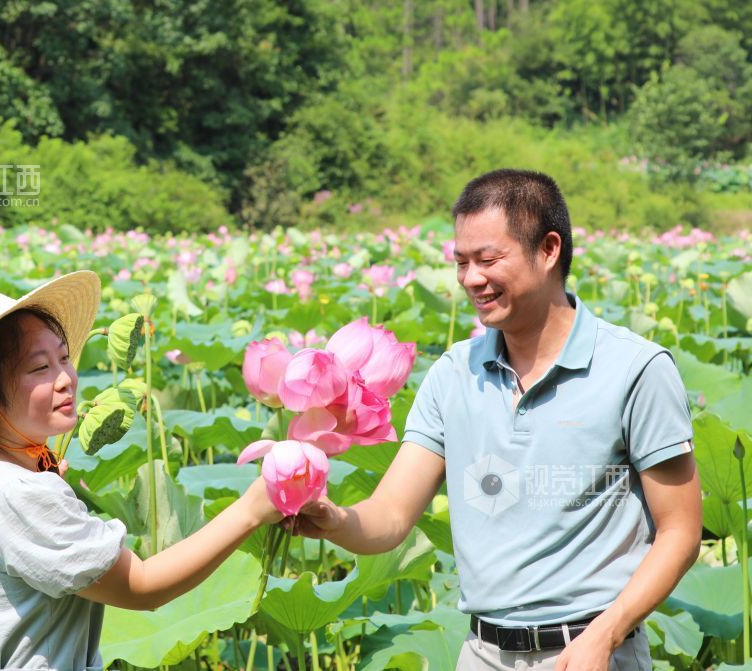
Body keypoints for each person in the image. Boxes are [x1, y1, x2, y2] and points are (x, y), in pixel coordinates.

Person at [295, 169, 702, 671]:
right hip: (481, 654)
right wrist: (335, 520)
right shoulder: (451, 374)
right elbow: (391, 517)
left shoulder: (636, 369)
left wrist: (607, 634)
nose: (471, 279)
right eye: (461, 262)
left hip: (592, 651)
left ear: (548, 250)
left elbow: (681, 531)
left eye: (488, 260)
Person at [0, 270, 281, 671]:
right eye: (40, 368)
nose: (66, 379)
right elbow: (143, 586)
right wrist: (251, 509)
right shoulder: (19, 495)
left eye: (64, 358)